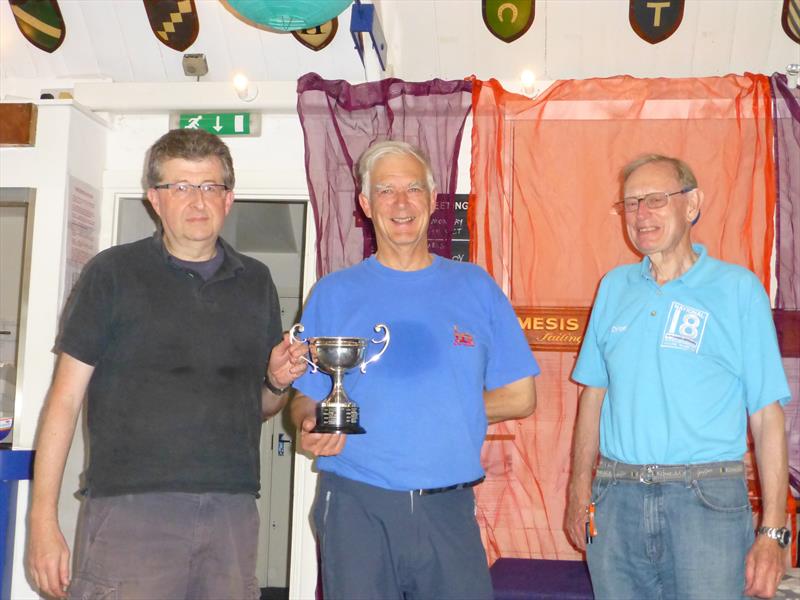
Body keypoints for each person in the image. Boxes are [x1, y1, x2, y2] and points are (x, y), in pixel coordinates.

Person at [26, 128, 307, 600]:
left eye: (209, 187)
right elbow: (64, 399)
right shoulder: (111, 274)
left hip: (232, 513)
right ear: (155, 199)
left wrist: (277, 384)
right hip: (131, 512)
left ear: (229, 198)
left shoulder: (257, 282)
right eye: (180, 187)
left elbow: (256, 407)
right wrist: (42, 519)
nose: (197, 201)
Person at [289, 140, 539, 599]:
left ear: (432, 199)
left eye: (413, 189)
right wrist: (307, 421)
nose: (401, 203)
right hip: (354, 502)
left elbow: (521, 396)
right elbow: (304, 395)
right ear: (365, 204)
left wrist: (438, 407)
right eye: (385, 190)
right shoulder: (333, 292)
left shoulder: (476, 287)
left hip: (448, 505)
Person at [565, 154, 791, 599]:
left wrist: (773, 532)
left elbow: (767, 416)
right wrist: (578, 489)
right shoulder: (613, 287)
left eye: (654, 200)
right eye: (630, 204)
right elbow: (593, 396)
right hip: (616, 497)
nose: (640, 215)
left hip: (706, 500)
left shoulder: (738, 290)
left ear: (692, 206)